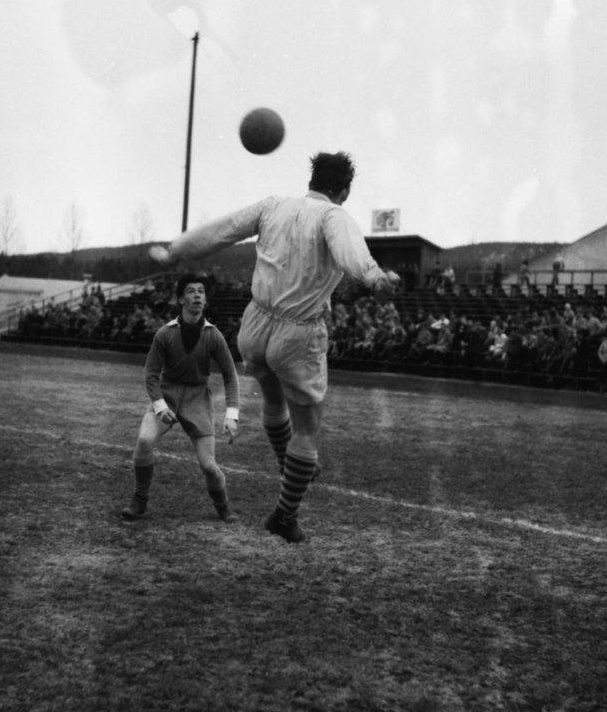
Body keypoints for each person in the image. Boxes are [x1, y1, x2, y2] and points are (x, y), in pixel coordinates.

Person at [148, 150, 399, 543]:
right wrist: (375, 277)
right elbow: (352, 252)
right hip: (298, 334)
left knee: (272, 399)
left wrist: (176, 250)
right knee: (308, 428)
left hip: (254, 325)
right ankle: (285, 514)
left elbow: (222, 230)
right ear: (344, 190)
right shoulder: (334, 216)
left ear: (312, 181)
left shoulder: (273, 205)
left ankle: (288, 465)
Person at [121, 273, 240, 522]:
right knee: (143, 441)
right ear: (180, 299)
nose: (197, 295)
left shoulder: (214, 335)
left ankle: (223, 507)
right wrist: (160, 405)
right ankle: (139, 501)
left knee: (209, 466)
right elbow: (151, 374)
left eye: (201, 291)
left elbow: (231, 376)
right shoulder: (165, 333)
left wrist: (232, 415)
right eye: (191, 291)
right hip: (168, 392)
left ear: (205, 300)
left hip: (199, 398)